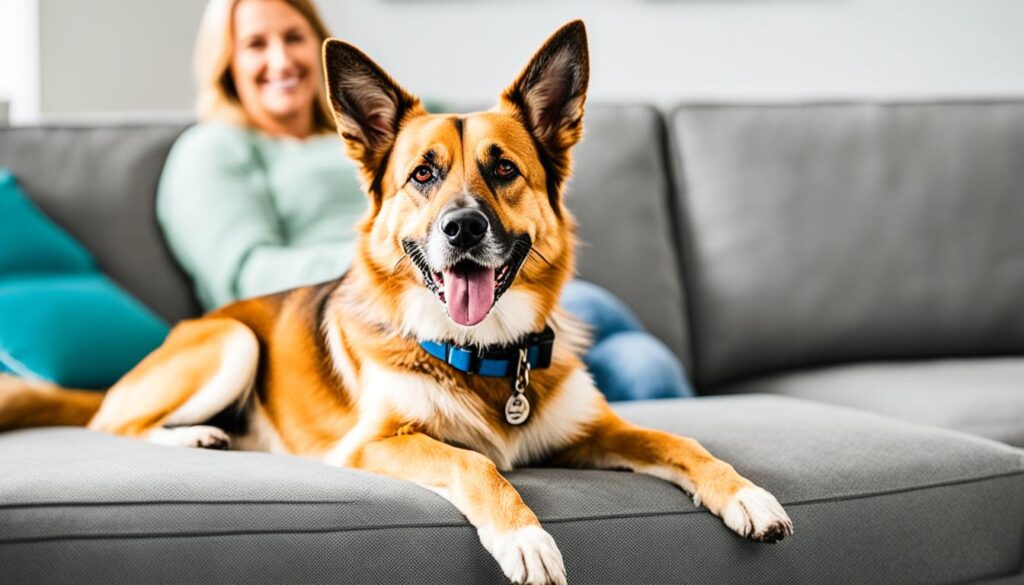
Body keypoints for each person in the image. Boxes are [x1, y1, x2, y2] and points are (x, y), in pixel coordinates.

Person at [157, 0, 693, 401]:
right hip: (380, 300)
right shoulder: (213, 150)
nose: (281, 58)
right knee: (614, 338)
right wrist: (391, 264)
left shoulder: (418, 123)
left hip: (494, 289)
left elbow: (491, 161)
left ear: (314, 40)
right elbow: (246, 272)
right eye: (256, 44)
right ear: (226, 61)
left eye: (293, 36)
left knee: (639, 360)